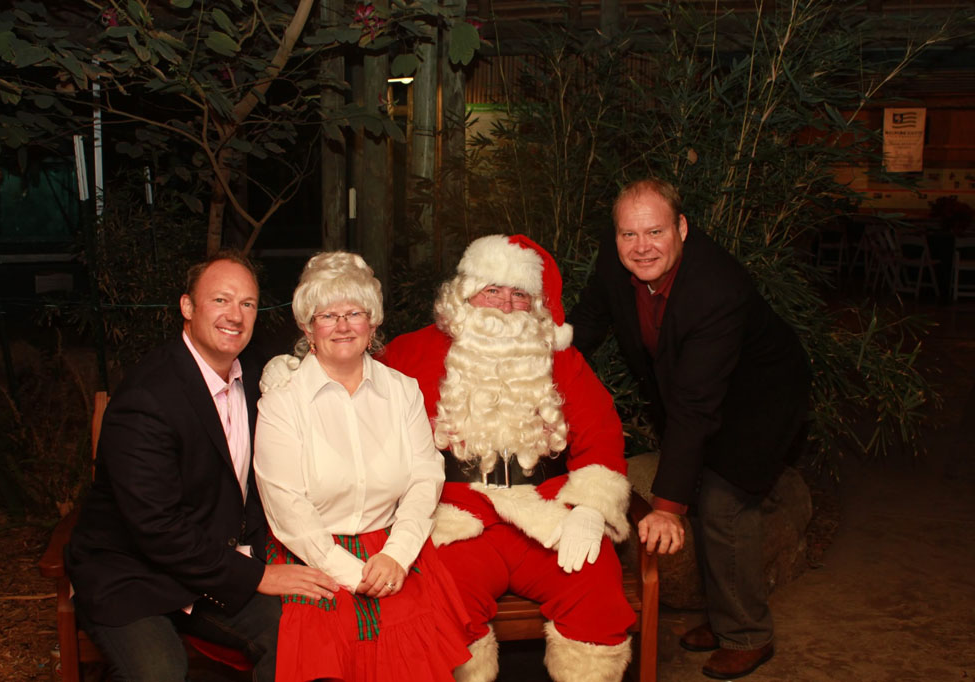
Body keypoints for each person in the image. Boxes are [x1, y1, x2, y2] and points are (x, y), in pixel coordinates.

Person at [569, 178, 810, 680]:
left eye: (655, 232)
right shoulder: (617, 259)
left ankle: (747, 634)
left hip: (759, 397)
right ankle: (723, 619)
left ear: (681, 227)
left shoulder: (716, 287)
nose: (641, 247)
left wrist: (666, 507)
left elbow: (697, 406)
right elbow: (588, 320)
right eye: (629, 234)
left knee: (723, 501)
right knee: (701, 491)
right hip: (700, 391)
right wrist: (540, 368)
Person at [66, 250, 338, 682]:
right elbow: (156, 528)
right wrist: (257, 574)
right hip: (134, 574)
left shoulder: (258, 376)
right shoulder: (147, 397)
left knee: (300, 634)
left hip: (212, 566)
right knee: (160, 675)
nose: (235, 315)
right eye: (221, 300)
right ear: (187, 307)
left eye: (247, 303)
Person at [380, 235, 637, 682]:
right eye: (492, 289)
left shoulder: (561, 359)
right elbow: (356, 392)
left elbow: (600, 432)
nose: (504, 304)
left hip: (546, 512)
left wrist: (590, 508)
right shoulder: (410, 352)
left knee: (594, 585)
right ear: (465, 293)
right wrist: (299, 369)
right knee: (440, 600)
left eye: (519, 294)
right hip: (456, 518)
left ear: (535, 304)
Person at [253, 252, 472, 681]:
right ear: (307, 328)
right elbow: (287, 507)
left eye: (354, 313)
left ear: (372, 324)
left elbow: (425, 478)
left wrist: (397, 556)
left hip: (391, 549)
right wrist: (351, 574)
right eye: (327, 315)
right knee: (325, 648)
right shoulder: (283, 401)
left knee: (410, 655)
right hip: (311, 554)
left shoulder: (402, 391)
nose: (342, 326)